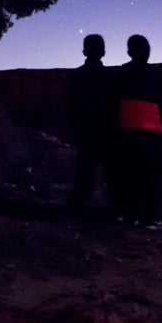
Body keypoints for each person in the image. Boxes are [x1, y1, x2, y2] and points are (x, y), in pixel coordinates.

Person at [113, 34, 162, 228]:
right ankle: (152, 216)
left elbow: (113, 99)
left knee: (128, 173)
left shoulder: (122, 72)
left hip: (127, 128)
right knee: (151, 176)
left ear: (129, 52)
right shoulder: (156, 73)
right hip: (152, 130)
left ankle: (129, 214)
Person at [65, 33, 116, 213]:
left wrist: (73, 125)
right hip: (105, 128)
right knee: (111, 169)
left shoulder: (76, 75)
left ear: (84, 51)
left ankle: (76, 205)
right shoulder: (109, 76)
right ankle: (117, 207)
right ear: (103, 51)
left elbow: (70, 103)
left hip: (85, 128)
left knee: (84, 168)